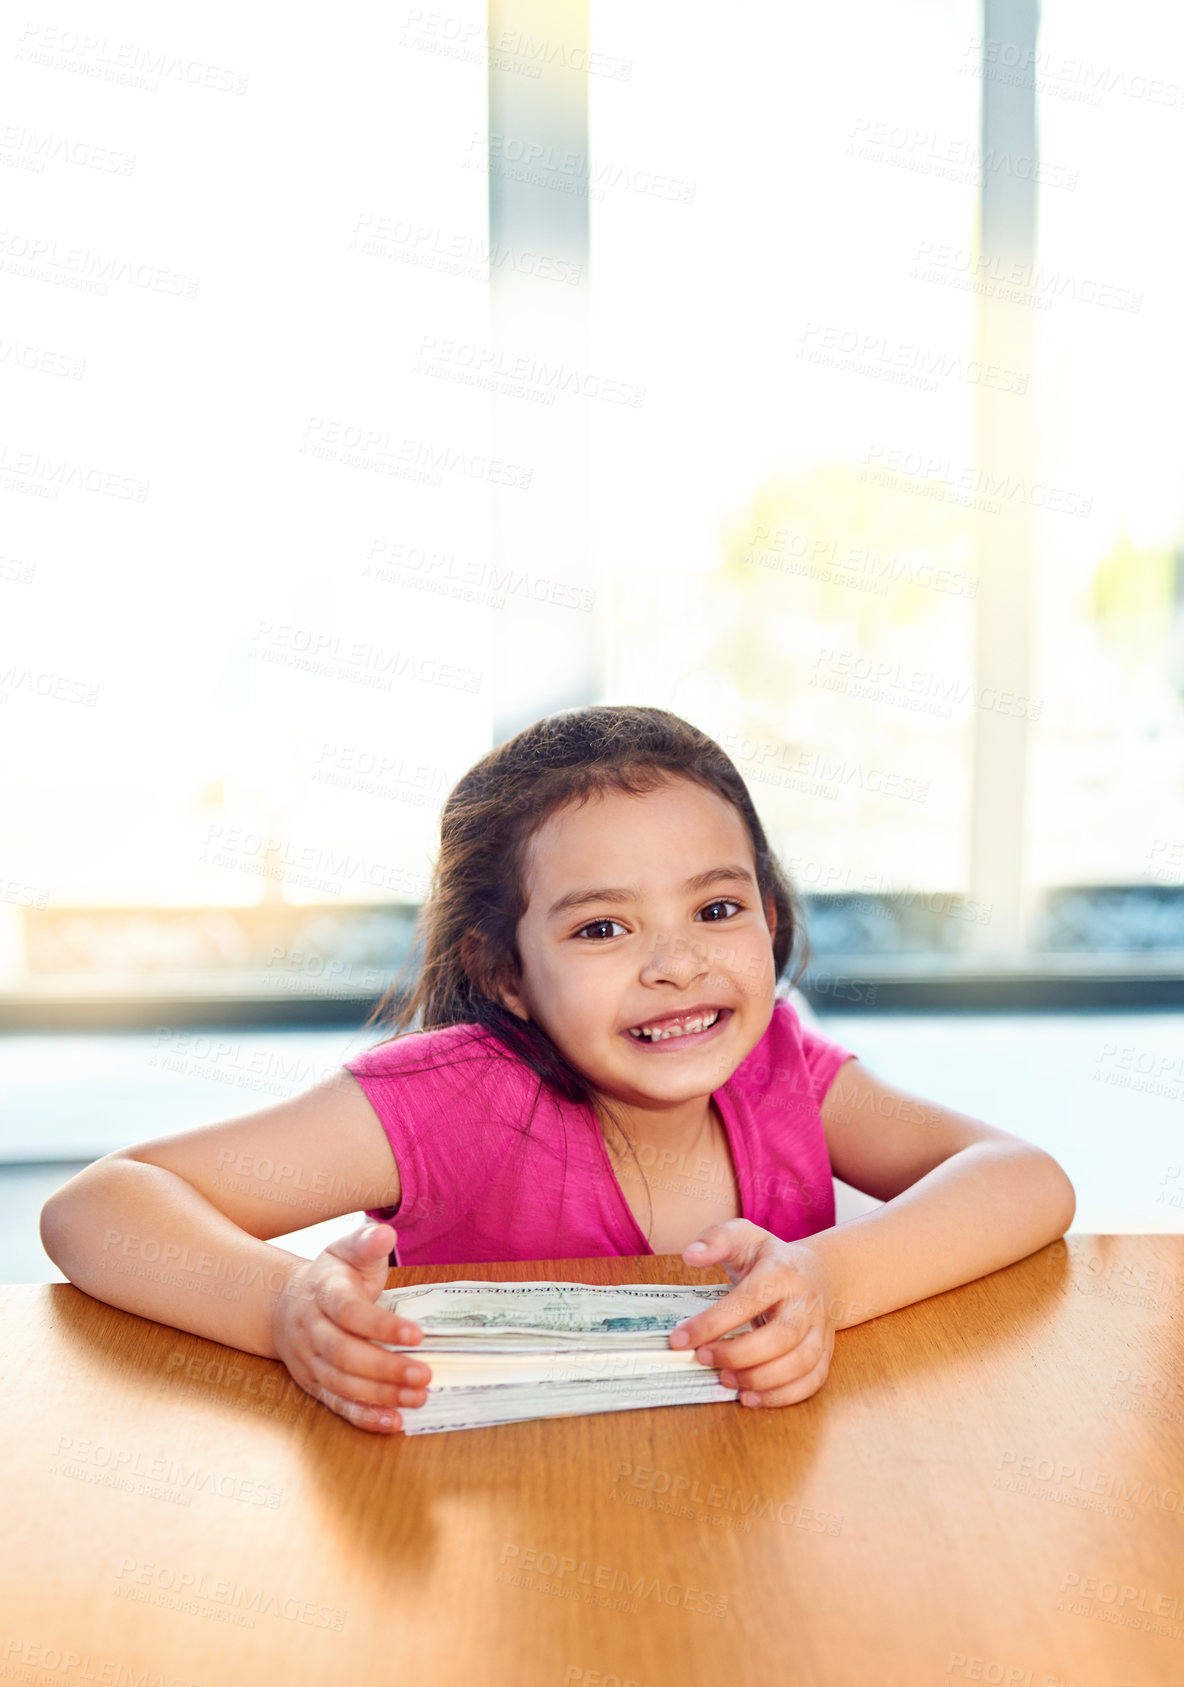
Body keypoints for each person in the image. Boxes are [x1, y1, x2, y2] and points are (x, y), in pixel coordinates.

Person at [40, 705, 1076, 1435]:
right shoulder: (449, 1099)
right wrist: (278, 1309)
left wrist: (828, 1278)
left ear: (769, 912)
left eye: (715, 909)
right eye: (601, 926)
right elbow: (100, 1207)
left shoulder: (780, 1072)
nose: (674, 963)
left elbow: (1024, 1178)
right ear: (506, 973)